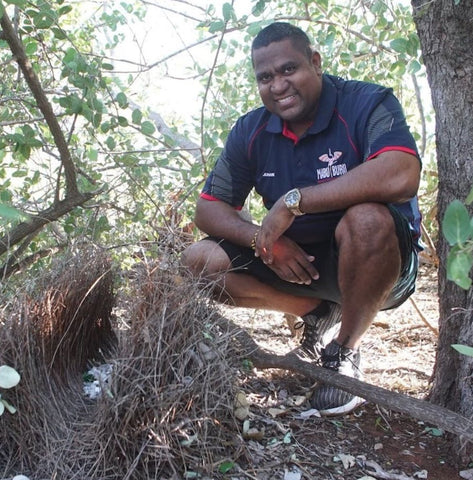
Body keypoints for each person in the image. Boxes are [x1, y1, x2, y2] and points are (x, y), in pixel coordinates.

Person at [181, 22, 423, 416]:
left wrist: (293, 202)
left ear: (315, 62)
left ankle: (344, 351)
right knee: (197, 261)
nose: (278, 86)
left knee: (366, 220)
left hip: (379, 261)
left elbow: (400, 172)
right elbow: (208, 208)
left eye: (288, 70)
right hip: (298, 264)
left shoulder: (366, 102)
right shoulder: (251, 129)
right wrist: (263, 238)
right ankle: (314, 313)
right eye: (265, 77)